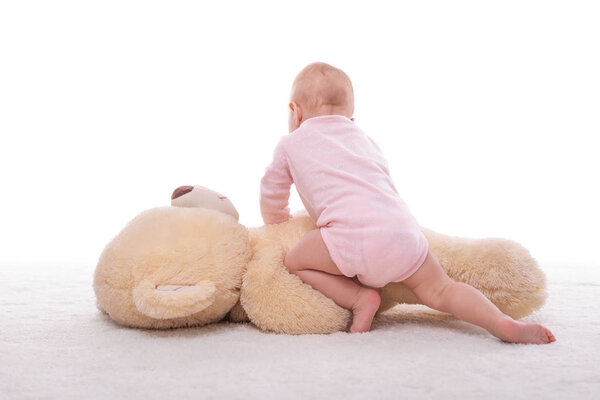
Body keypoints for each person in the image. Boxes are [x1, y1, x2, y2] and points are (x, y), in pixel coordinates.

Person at [259, 62, 555, 344]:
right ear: (350, 119)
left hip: (351, 237)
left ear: (294, 112)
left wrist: (276, 222)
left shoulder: (290, 143)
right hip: (403, 233)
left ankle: (359, 298)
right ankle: (500, 323)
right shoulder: (364, 139)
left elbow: (272, 192)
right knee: (443, 290)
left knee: (295, 261)